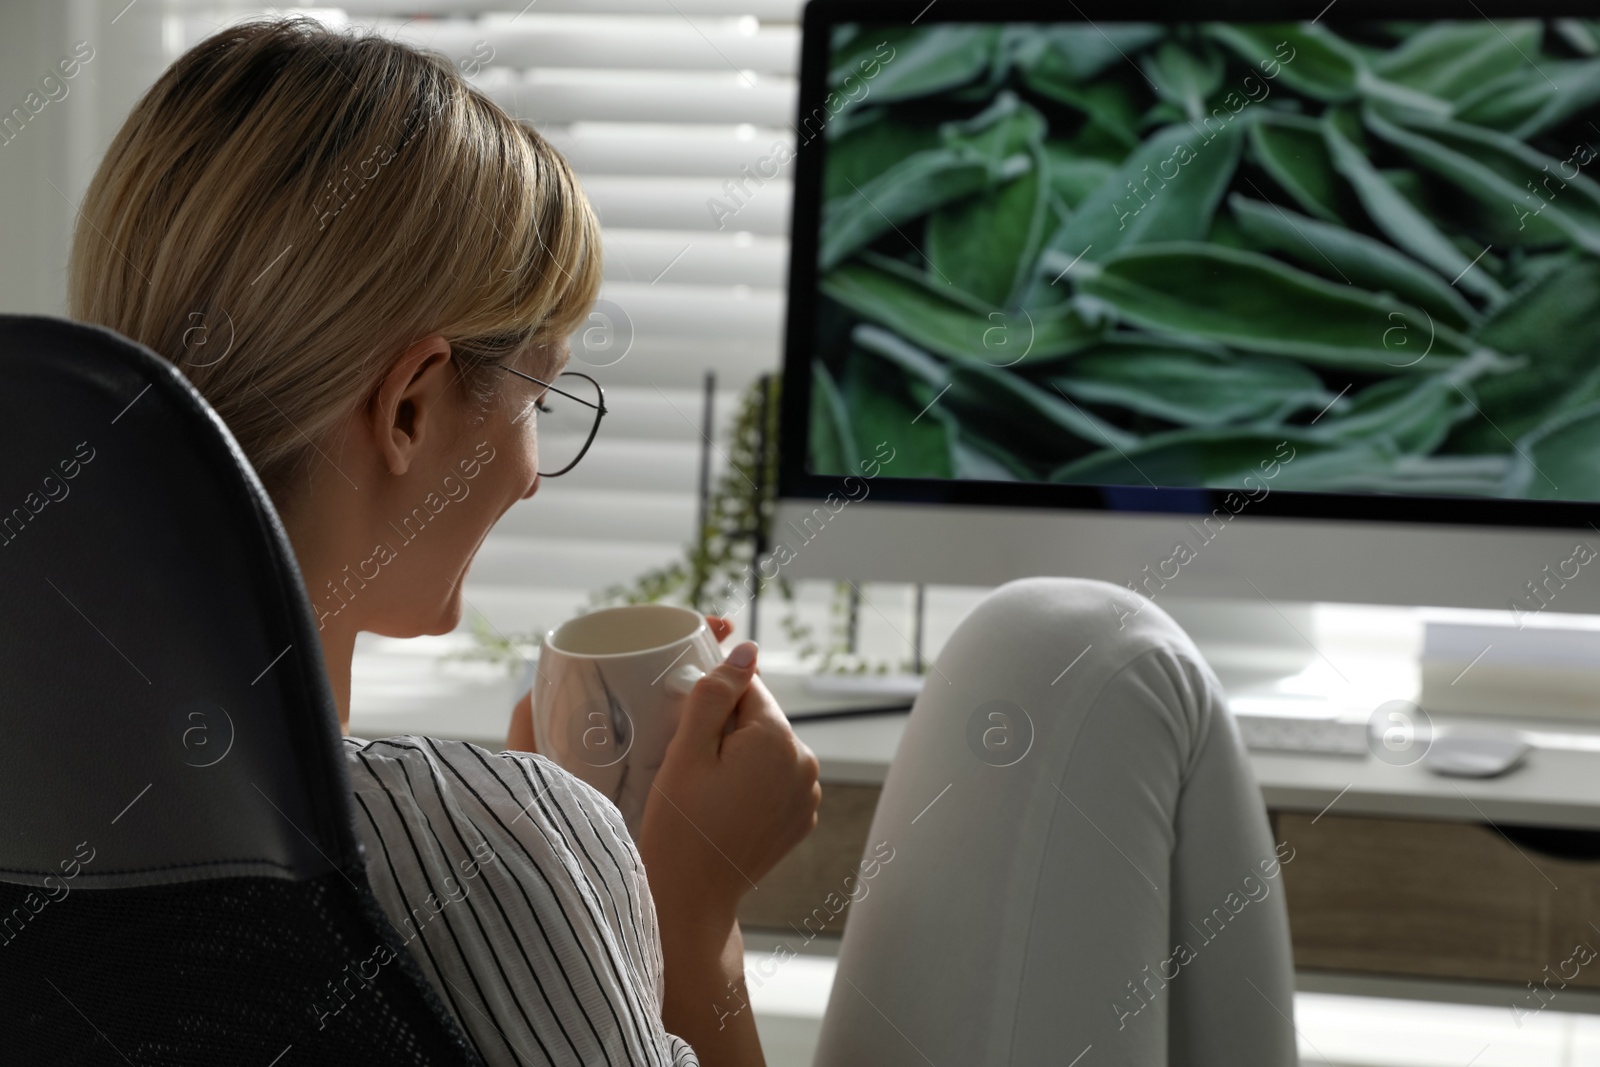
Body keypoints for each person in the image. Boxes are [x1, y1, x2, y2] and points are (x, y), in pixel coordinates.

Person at [64, 14, 1296, 1067]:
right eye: (539, 396)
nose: (534, 472)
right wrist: (683, 904)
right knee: (1080, 648)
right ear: (408, 408)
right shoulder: (488, 840)